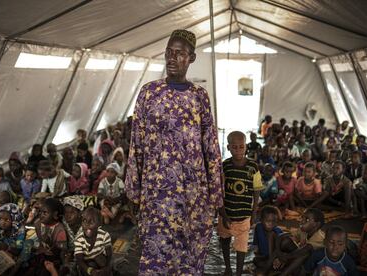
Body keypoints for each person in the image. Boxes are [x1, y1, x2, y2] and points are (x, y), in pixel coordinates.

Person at [126, 29, 223, 275]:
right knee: (155, 254)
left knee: (189, 256)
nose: (172, 58)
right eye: (169, 52)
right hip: (156, 194)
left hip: (192, 194)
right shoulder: (149, 92)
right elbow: (136, 141)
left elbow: (210, 146)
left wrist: (216, 195)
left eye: (179, 53)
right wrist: (133, 189)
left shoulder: (199, 97)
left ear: (191, 58)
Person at [218, 131, 263, 276]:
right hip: (227, 214)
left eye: (241, 147)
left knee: (242, 247)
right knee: (224, 240)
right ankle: (228, 268)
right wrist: (223, 214)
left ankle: (238, 272)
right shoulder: (224, 166)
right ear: (229, 147)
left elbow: (256, 190)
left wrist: (254, 212)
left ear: (246, 147)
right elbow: (219, 191)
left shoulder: (253, 167)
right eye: (234, 147)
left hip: (244, 215)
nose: (238, 150)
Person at [273, 208, 325, 276]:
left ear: (316, 225)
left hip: (308, 269)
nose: (302, 221)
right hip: (297, 262)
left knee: (304, 252)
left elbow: (306, 249)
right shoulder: (303, 231)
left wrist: (284, 258)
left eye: (307, 219)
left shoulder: (319, 237)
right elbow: (283, 236)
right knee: (286, 241)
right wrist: (280, 255)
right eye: (302, 217)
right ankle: (268, 266)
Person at [75, 207, 112, 276]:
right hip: (86, 264)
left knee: (101, 260)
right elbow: (80, 260)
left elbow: (109, 254)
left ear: (99, 224)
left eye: (91, 222)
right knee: (89, 265)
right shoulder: (79, 239)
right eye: (84, 221)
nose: (87, 225)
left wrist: (107, 267)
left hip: (100, 260)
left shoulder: (104, 235)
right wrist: (90, 271)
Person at [34, 198, 67, 275]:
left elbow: (61, 250)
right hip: (42, 254)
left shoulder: (59, 229)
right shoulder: (38, 224)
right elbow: (38, 242)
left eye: (45, 213)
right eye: (40, 212)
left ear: (55, 215)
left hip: (55, 258)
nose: (41, 215)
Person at [253, 206, 283, 275]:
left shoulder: (278, 231)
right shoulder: (258, 227)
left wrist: (277, 259)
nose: (271, 224)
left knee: (277, 264)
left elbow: (281, 250)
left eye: (274, 221)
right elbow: (256, 244)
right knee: (255, 260)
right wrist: (257, 253)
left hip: (274, 258)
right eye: (268, 221)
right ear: (261, 220)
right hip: (264, 256)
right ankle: (270, 268)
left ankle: (270, 267)